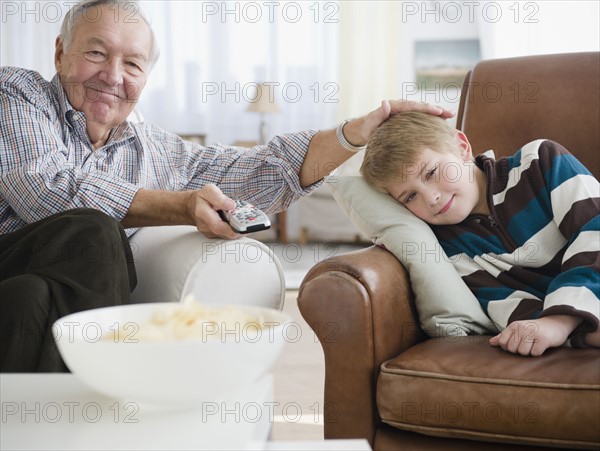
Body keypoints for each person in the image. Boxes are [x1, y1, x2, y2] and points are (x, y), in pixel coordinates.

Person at [0, 0, 453, 371]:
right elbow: (45, 188)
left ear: (145, 77)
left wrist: (354, 134)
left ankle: (47, 424)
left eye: (133, 64)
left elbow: (258, 171)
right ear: (60, 52)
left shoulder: (154, 149)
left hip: (23, 292)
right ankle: (115, 400)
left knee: (31, 301)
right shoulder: (17, 94)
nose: (114, 76)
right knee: (95, 230)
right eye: (96, 53)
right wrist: (180, 206)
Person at [361, 111, 600, 356]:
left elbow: (594, 234)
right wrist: (578, 331)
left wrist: (561, 321)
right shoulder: (448, 247)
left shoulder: (539, 161)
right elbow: (505, 307)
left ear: (461, 147)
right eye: (410, 196)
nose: (431, 198)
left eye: (431, 172)